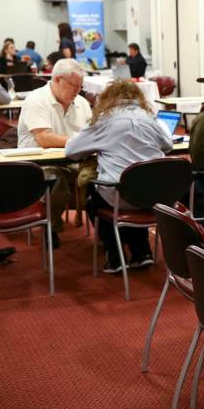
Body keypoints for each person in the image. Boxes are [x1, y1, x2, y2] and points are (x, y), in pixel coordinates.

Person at [65, 81, 173, 273]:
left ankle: (114, 255)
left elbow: (71, 151)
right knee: (136, 185)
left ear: (108, 98)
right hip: (154, 195)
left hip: (119, 196)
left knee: (94, 191)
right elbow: (168, 145)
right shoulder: (150, 118)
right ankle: (142, 253)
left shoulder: (103, 120)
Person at [18, 59, 93, 247]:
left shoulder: (82, 103)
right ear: (58, 79)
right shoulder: (36, 99)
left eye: (80, 86)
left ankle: (108, 233)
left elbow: (93, 132)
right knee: (55, 180)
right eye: (74, 85)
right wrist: (80, 142)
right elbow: (44, 138)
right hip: (38, 164)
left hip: (73, 160)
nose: (78, 91)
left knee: (105, 178)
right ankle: (49, 224)